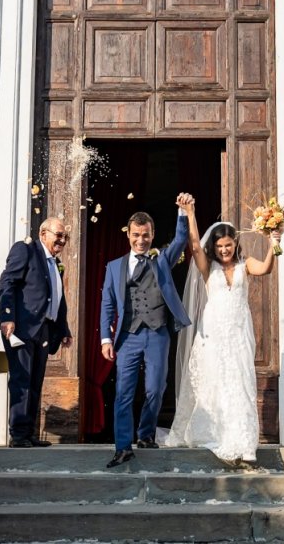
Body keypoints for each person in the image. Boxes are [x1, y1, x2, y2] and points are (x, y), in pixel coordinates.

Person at [163, 202, 280, 465]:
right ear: (214, 248)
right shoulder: (208, 268)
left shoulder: (245, 264)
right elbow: (194, 246)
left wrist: (274, 242)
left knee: (239, 382)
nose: (224, 250)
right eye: (219, 247)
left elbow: (266, 268)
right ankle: (214, 432)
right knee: (213, 381)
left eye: (228, 245)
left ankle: (243, 441)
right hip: (212, 333)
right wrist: (191, 214)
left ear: (235, 244)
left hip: (238, 332)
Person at [100, 194, 193, 468]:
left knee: (155, 388)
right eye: (136, 235)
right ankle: (122, 447)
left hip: (157, 333)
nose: (141, 240)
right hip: (127, 336)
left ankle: (146, 434)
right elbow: (107, 303)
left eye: (146, 235)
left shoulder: (162, 260)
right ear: (128, 234)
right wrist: (106, 337)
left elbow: (179, 241)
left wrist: (182, 213)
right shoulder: (114, 267)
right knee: (123, 393)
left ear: (152, 236)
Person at [0, 217, 73, 448]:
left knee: (35, 381)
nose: (62, 240)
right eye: (58, 235)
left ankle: (29, 433)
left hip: (44, 330)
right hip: (21, 327)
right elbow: (7, 282)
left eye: (64, 236)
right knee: (22, 380)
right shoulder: (25, 250)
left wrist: (63, 328)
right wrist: (7, 316)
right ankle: (18, 435)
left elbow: (58, 299)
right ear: (43, 233)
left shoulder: (54, 263)